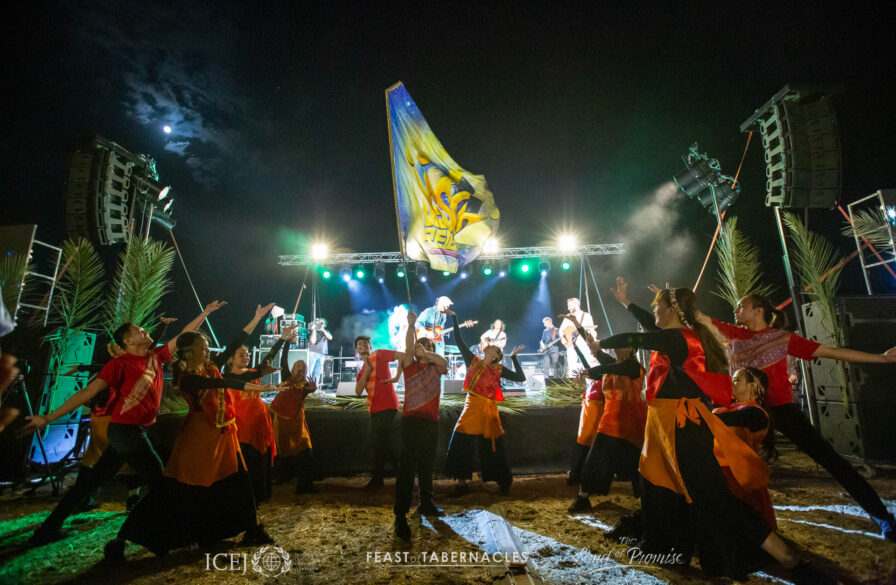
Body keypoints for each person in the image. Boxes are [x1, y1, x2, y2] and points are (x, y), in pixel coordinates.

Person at [603, 283, 830, 583]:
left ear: (673, 310)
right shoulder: (679, 335)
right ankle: (668, 547)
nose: (654, 310)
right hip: (667, 428)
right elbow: (648, 325)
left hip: (682, 428)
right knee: (660, 487)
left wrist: (599, 343)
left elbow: (634, 337)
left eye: (658, 305)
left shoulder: (677, 337)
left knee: (712, 498)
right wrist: (627, 303)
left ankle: (784, 556)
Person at [695, 292, 896, 541]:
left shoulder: (783, 339)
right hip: (747, 412)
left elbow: (832, 352)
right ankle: (731, 529)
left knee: (832, 461)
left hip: (782, 409)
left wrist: (881, 358)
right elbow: (701, 319)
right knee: (720, 462)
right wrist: (673, 300)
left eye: (741, 306)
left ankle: (882, 516)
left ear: (758, 310)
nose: (736, 311)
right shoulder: (735, 336)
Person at [22, 301, 227, 545]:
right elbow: (87, 393)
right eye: (138, 331)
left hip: (131, 432)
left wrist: (204, 313)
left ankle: (47, 530)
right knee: (160, 481)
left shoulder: (156, 356)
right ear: (127, 342)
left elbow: (185, 337)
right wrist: (47, 417)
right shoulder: (119, 364)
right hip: (125, 432)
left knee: (90, 482)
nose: (144, 331)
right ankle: (171, 533)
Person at [114, 316, 279, 560]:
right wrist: (257, 387)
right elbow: (218, 383)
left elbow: (234, 345)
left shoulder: (210, 367)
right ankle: (126, 537)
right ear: (189, 352)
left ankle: (247, 529)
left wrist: (256, 318)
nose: (208, 350)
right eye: (202, 347)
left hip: (222, 434)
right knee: (177, 489)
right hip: (199, 438)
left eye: (207, 346)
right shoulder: (188, 378)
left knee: (237, 482)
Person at [564, 313, 646, 513]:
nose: (618, 347)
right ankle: (583, 498)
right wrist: (577, 324)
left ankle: (646, 500)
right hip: (610, 418)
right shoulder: (613, 364)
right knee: (596, 458)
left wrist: (588, 372)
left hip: (632, 420)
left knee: (638, 462)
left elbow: (606, 367)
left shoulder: (633, 366)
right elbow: (593, 348)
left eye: (622, 344)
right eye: (617, 344)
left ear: (631, 348)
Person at [444, 307, 525, 497]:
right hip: (471, 406)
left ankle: (503, 482)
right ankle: (462, 482)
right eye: (489, 345)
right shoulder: (472, 361)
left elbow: (520, 378)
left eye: (494, 348)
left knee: (493, 446)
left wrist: (514, 358)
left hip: (488, 409)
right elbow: (459, 340)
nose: (489, 346)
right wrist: (455, 319)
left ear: (497, 355)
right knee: (460, 442)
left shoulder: (498, 369)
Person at [392, 309, 448, 540]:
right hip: (410, 423)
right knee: (406, 468)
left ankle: (426, 502)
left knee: (426, 465)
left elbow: (443, 361)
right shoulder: (410, 366)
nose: (423, 348)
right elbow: (407, 348)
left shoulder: (437, 368)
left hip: (431, 424)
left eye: (428, 347)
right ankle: (400, 516)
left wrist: (427, 351)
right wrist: (411, 326)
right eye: (420, 346)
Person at [225, 326, 291, 504]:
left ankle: (261, 496)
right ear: (230, 358)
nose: (246, 358)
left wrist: (282, 339)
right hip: (241, 424)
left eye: (247, 355)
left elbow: (269, 357)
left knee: (260, 459)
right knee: (245, 459)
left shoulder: (254, 372)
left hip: (259, 423)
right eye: (241, 355)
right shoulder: (226, 376)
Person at [713, 367, 777, 531]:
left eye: (737, 380)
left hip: (739, 478)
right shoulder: (732, 408)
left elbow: (720, 420)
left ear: (753, 386)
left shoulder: (755, 414)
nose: (732, 383)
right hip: (722, 473)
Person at [355, 336, 404, 490]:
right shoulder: (362, 370)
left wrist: (397, 377)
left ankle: (381, 478)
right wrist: (368, 369)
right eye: (359, 344)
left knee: (381, 442)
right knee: (382, 443)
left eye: (365, 343)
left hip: (388, 405)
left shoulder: (379, 354)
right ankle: (399, 475)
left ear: (370, 347)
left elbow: (401, 356)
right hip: (374, 409)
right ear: (356, 351)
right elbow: (358, 391)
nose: (362, 345)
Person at [271, 332, 318, 494]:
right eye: (298, 365)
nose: (301, 368)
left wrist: (311, 391)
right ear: (292, 369)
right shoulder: (287, 377)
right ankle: (284, 477)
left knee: (305, 451)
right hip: (281, 421)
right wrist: (287, 342)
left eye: (304, 367)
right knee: (284, 451)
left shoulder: (305, 385)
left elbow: (306, 393)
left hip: (296, 422)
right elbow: (283, 358)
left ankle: (305, 485)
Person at [558, 298, 596, 377]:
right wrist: (563, 339)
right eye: (568, 306)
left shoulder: (586, 315)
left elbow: (592, 331)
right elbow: (561, 329)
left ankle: (591, 382)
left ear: (576, 304)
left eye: (570, 306)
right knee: (572, 365)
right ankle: (574, 385)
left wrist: (593, 342)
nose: (568, 308)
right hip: (571, 344)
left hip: (583, 343)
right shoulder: (567, 316)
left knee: (588, 362)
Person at [307, 318, 332, 386]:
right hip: (313, 352)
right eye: (319, 322)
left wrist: (323, 330)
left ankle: (315, 386)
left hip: (322, 354)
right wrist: (314, 330)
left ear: (325, 325)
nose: (320, 324)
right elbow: (313, 341)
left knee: (317, 372)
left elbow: (330, 337)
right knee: (309, 370)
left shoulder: (326, 331)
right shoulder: (313, 331)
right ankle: (307, 386)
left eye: (322, 323)